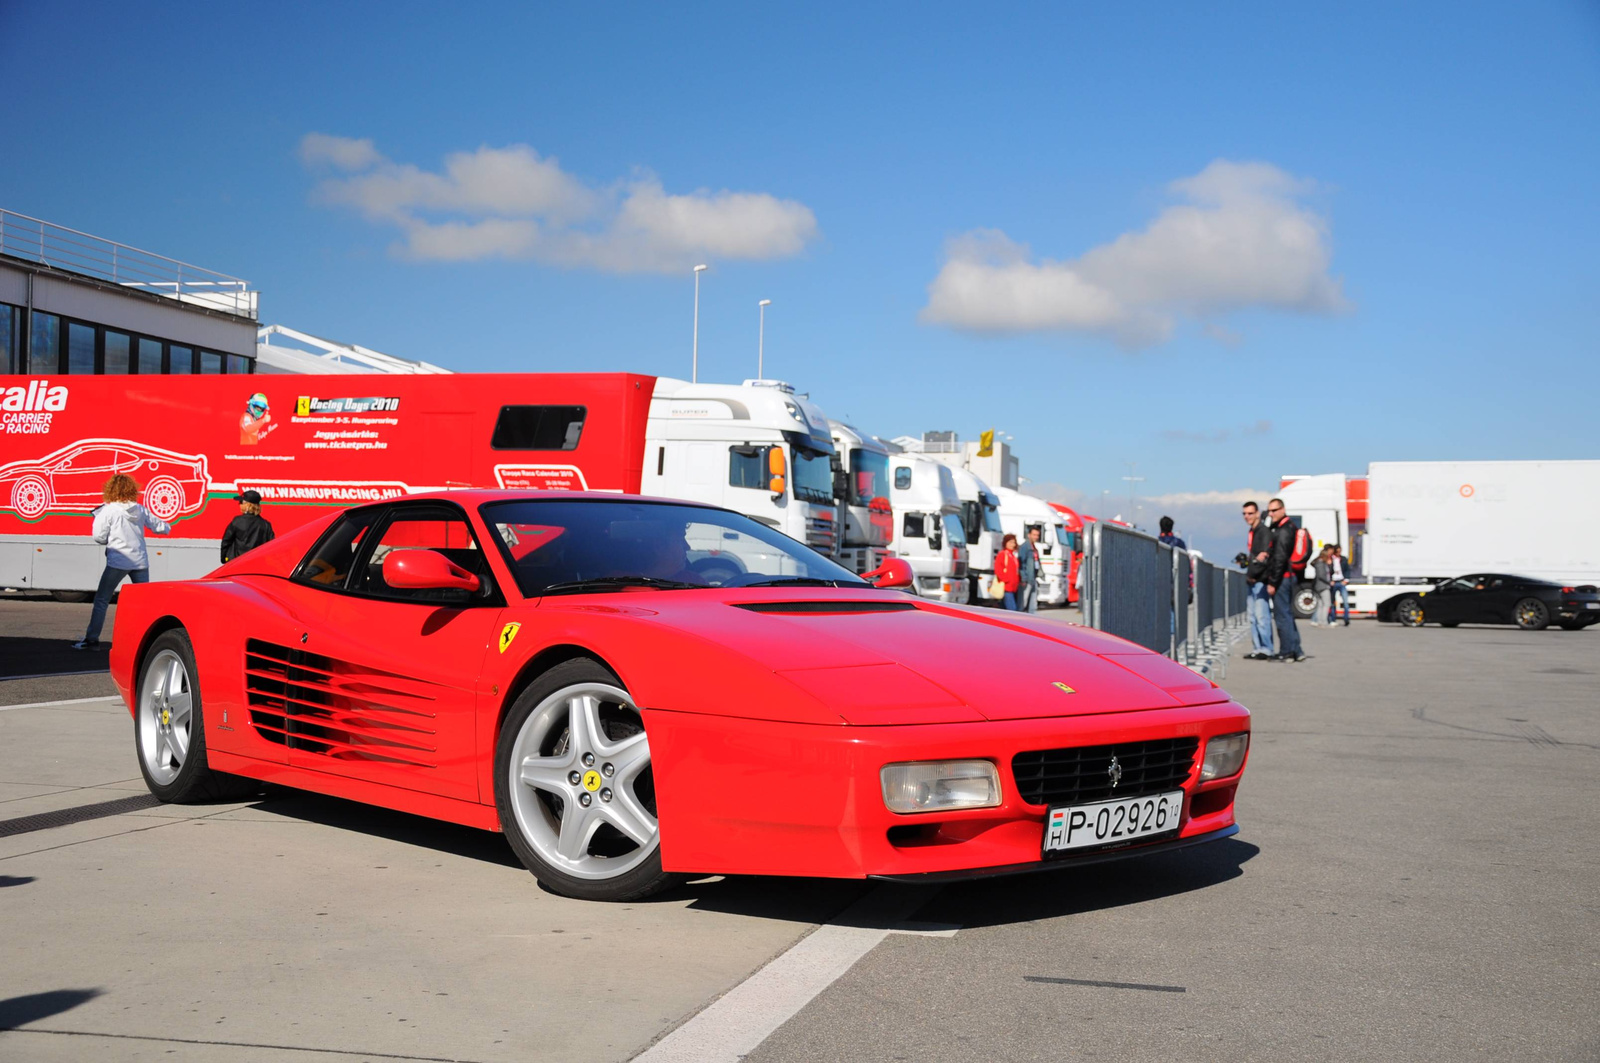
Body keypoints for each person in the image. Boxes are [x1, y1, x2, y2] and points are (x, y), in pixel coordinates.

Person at [73, 474, 170, 650]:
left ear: (110, 489)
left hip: (118, 561)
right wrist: (165, 526)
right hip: (140, 562)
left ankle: (92, 638)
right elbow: (161, 527)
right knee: (144, 604)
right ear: (132, 489)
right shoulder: (140, 509)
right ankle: (147, 642)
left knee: (102, 599)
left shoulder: (108, 510)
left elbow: (98, 537)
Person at [1265, 498, 1306, 662]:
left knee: (1282, 616)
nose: (1271, 514)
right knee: (1287, 615)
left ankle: (1286, 651)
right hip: (1288, 576)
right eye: (1269, 511)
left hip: (1283, 578)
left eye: (1274, 510)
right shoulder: (1289, 527)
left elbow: (1280, 558)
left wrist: (1273, 582)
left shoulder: (1283, 530)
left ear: (1283, 510)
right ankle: (1297, 650)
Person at [1241, 501, 1274, 660]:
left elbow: (1264, 557)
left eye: (1250, 513)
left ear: (1257, 513)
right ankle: (1257, 647)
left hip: (1260, 579)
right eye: (1244, 514)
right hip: (1252, 579)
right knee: (1253, 617)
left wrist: (1255, 569)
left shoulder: (1263, 531)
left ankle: (1266, 648)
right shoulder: (1252, 532)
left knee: (1262, 616)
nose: (1247, 516)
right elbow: (1256, 557)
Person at [220, 489, 275, 563]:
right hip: (257, 566)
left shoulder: (237, 521)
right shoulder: (265, 525)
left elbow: (226, 542)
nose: (239, 504)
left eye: (241, 502)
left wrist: (224, 559)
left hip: (237, 565)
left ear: (248, 505)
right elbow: (271, 548)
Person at [1016, 525, 1044, 613]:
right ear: (1029, 535)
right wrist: (1023, 578)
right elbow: (1021, 563)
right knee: (1022, 603)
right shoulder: (1025, 547)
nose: (1036, 537)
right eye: (1034, 535)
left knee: (1033, 604)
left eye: (1037, 535)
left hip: (1033, 578)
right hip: (1026, 579)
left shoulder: (1034, 548)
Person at [994, 533, 1021, 610]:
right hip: (1007, 587)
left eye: (1013, 542)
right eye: (1010, 542)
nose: (1012, 544)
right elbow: (998, 569)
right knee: (1012, 609)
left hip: (1014, 587)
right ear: (1005, 543)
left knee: (1005, 609)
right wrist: (1006, 580)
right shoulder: (1002, 554)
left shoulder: (1012, 555)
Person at [1309, 546, 1333, 628]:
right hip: (1323, 586)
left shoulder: (1318, 563)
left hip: (1318, 586)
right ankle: (1323, 622)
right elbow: (1322, 575)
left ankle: (1319, 621)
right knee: (1326, 604)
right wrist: (1329, 582)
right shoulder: (1321, 564)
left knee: (1320, 604)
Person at [1328, 544, 1351, 626]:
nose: (1338, 553)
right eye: (1337, 551)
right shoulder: (1330, 559)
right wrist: (1330, 580)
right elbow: (1327, 571)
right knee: (1332, 602)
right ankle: (1332, 618)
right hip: (1334, 582)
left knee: (1345, 602)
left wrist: (1346, 579)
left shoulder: (1343, 559)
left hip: (1341, 582)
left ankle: (1346, 619)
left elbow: (1347, 570)